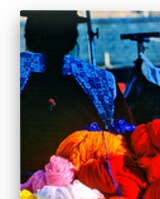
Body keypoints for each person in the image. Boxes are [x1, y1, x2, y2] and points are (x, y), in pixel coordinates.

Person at [20, 10, 134, 179]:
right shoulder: (102, 79)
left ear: (28, 35)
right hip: (87, 188)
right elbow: (128, 135)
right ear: (73, 39)